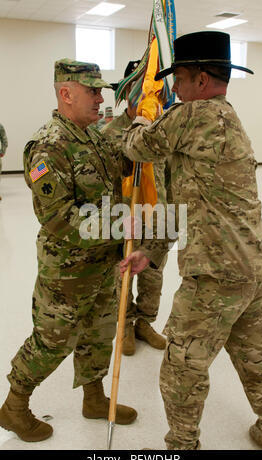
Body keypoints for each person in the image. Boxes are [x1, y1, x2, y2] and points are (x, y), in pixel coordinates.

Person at [120, 31, 262, 450]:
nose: (174, 87)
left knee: (182, 367)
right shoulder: (226, 118)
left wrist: (140, 115)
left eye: (181, 78)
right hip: (252, 269)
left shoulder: (195, 115)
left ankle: (182, 447)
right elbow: (184, 202)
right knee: (255, 358)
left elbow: (136, 146)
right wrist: (150, 253)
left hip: (216, 275)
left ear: (203, 80)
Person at [0, 58, 137, 443]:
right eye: (93, 91)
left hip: (103, 264)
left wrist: (137, 119)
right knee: (52, 340)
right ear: (66, 93)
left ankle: (94, 398)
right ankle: (14, 406)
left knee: (100, 333)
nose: (100, 98)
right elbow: (58, 218)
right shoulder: (48, 146)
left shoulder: (92, 135)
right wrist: (123, 227)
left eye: (102, 91)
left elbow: (118, 162)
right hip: (68, 274)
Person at [102, 60, 167, 356]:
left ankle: (145, 321)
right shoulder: (108, 133)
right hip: (123, 216)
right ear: (128, 93)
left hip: (158, 216)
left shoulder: (161, 129)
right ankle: (125, 323)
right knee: (124, 272)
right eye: (139, 91)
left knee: (153, 272)